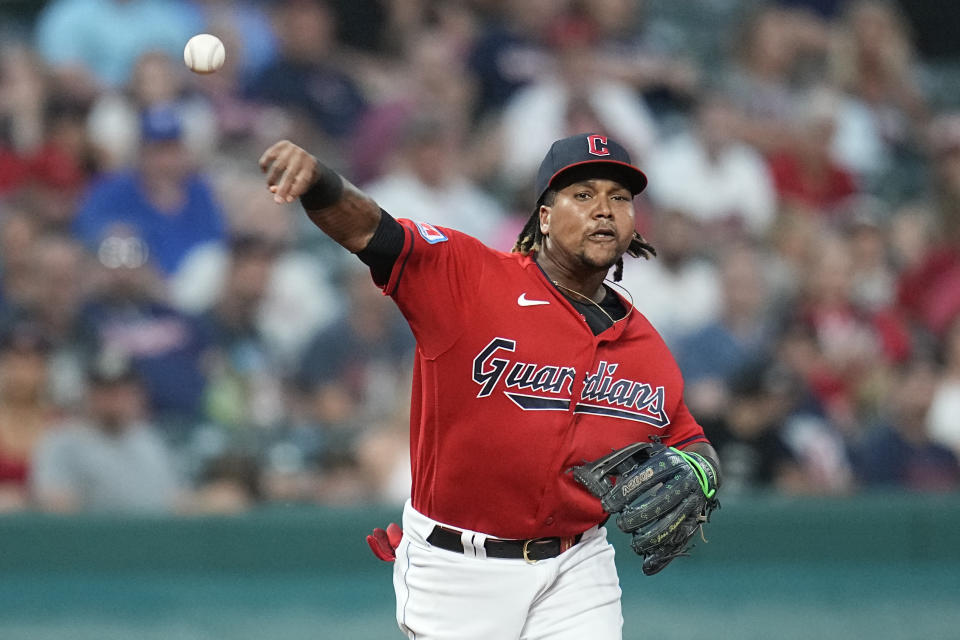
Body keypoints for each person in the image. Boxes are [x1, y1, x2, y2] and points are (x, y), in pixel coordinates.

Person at [259, 131, 722, 639]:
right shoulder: (469, 279)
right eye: (583, 194)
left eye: (619, 197)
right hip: (457, 567)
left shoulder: (645, 347)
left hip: (579, 566)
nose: (604, 210)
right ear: (544, 217)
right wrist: (320, 182)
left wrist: (700, 470)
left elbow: (689, 440)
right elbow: (372, 231)